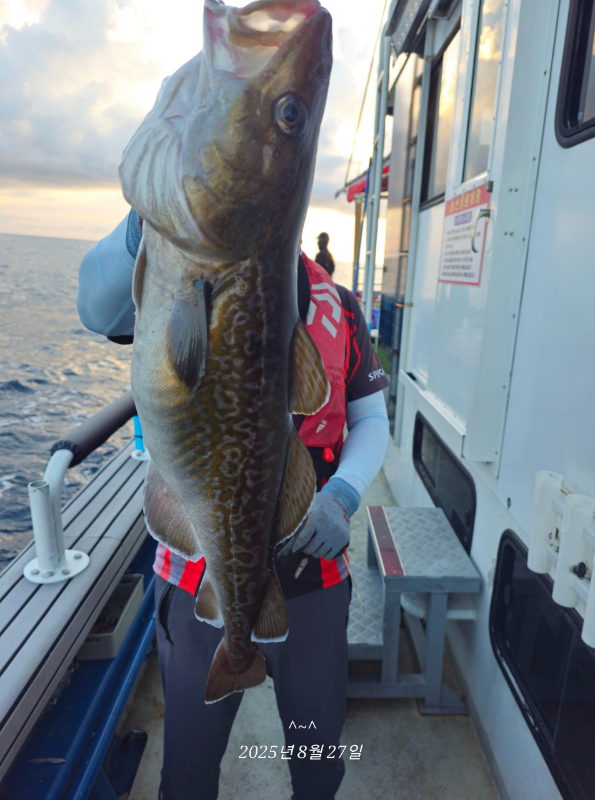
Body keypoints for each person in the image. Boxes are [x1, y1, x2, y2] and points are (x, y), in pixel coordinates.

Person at [77, 208, 390, 800]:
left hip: (315, 575)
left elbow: (370, 417)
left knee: (317, 759)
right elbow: (97, 309)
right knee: (189, 770)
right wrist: (143, 224)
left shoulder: (342, 306)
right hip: (195, 577)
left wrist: (342, 495)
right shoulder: (172, 278)